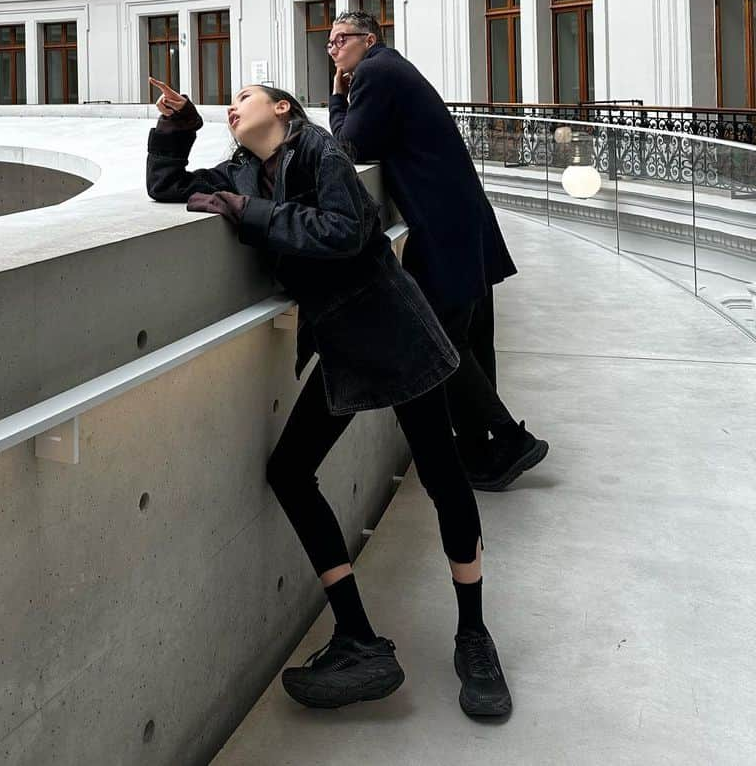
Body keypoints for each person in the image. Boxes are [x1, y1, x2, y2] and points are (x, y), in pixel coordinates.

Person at [146, 76, 513, 718]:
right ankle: (356, 633)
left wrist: (248, 212)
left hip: (392, 327)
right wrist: (179, 127)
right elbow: (167, 187)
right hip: (343, 341)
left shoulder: (321, 151)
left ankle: (474, 635)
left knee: (442, 473)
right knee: (289, 471)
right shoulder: (243, 167)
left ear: (281, 108)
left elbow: (346, 229)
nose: (232, 108)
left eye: (244, 99)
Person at [327, 11, 548, 490]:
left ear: (369, 39)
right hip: (460, 220)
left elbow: (349, 148)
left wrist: (338, 96)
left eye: (341, 39)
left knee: (443, 341)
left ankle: (508, 440)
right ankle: (483, 451)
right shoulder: (391, 68)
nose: (335, 49)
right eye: (329, 44)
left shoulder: (374, 72)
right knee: (466, 338)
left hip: (443, 226)